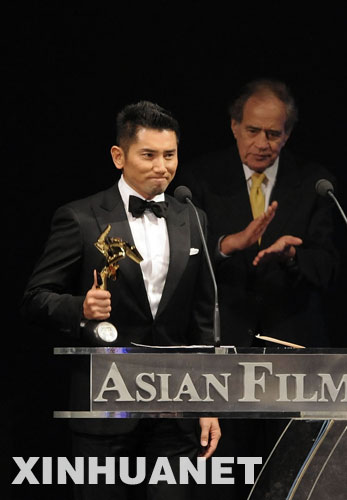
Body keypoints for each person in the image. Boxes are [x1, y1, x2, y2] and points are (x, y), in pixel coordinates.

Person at [21, 100, 221, 499]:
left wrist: (210, 401)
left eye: (170, 155)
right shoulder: (80, 217)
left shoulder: (193, 218)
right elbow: (35, 297)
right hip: (104, 409)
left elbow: (202, 319)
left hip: (174, 405)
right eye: (148, 155)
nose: (162, 167)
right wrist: (80, 307)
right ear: (119, 156)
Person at [176, 78, 338, 348]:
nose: (263, 143)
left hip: (292, 337)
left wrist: (293, 257)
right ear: (234, 126)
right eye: (253, 131)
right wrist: (228, 244)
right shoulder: (198, 180)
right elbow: (181, 260)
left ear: (287, 134)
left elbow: (328, 266)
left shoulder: (316, 183)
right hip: (221, 336)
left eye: (273, 134)